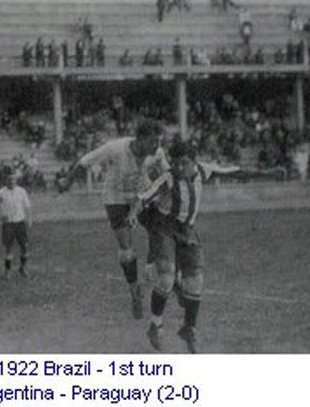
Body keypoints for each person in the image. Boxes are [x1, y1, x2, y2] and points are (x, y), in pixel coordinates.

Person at [127, 141, 284, 353]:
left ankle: (189, 328)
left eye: (185, 163)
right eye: (177, 164)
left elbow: (234, 172)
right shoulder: (169, 178)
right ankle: (156, 324)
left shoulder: (203, 170)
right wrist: (132, 214)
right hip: (164, 229)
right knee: (166, 277)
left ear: (194, 161)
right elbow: (142, 197)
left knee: (196, 282)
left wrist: (268, 173)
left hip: (188, 231)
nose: (181, 168)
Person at [58, 119, 169, 319]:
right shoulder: (115, 148)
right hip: (115, 199)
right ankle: (135, 292)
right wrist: (67, 182)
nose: (157, 147)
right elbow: (84, 162)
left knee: (160, 229)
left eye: (159, 142)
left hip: (141, 195)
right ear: (141, 139)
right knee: (127, 250)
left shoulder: (157, 153)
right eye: (153, 142)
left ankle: (152, 268)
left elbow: (168, 175)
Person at [0, 169, 32, 279]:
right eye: (9, 179)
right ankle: (7, 271)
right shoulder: (0, 192)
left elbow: (27, 206)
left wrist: (29, 219)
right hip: (8, 224)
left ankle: (23, 268)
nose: (12, 181)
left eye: (13, 179)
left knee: (25, 246)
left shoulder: (21, 191)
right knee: (8, 248)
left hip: (20, 222)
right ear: (5, 180)